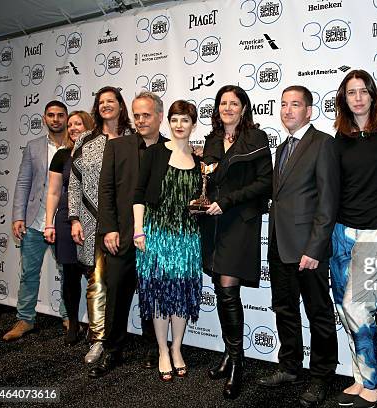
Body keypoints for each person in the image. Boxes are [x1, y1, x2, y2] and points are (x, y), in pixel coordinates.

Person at [256, 86, 339, 407]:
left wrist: (315, 249)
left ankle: (321, 377)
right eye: (284, 104)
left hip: (309, 250)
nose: (288, 110)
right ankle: (289, 366)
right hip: (279, 245)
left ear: (309, 111)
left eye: (295, 105)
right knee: (285, 309)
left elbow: (328, 202)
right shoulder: (283, 147)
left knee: (318, 314)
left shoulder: (323, 144)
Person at [330, 69, 377, 408]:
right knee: (345, 310)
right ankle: (360, 377)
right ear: (343, 99)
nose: (358, 98)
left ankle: (375, 383)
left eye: (363, 91)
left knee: (357, 306)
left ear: (373, 95)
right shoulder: (340, 137)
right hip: (342, 231)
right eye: (351, 93)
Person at [196, 85, 272, 399]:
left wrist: (227, 201)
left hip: (240, 220)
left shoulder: (256, 138)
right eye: (223, 102)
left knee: (227, 290)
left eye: (234, 102)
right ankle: (230, 353)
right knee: (221, 288)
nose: (228, 107)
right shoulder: (211, 140)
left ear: (244, 107)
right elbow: (207, 181)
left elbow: (265, 182)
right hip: (213, 223)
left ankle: (237, 361)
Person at [95, 91, 169, 377]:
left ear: (160, 116)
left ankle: (154, 347)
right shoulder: (118, 146)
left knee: (153, 295)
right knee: (115, 295)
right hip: (122, 236)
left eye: (146, 115)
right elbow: (107, 190)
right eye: (136, 115)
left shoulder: (174, 149)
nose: (140, 120)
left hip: (157, 239)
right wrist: (109, 228)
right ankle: (112, 349)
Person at [133, 100, 203, 382]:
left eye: (185, 120)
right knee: (160, 294)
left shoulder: (199, 162)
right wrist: (139, 230)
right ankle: (162, 350)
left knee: (182, 295)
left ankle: (177, 348)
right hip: (157, 233)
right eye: (174, 119)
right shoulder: (154, 154)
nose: (179, 125)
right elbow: (138, 194)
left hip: (187, 238)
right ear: (168, 122)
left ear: (193, 125)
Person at [69, 86, 134, 368]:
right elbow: (73, 181)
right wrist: (73, 218)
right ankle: (99, 340)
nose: (106, 105)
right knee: (97, 282)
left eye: (112, 100)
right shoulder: (85, 139)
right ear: (97, 107)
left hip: (126, 223)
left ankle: (123, 335)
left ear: (121, 105)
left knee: (122, 283)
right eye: (101, 101)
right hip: (91, 219)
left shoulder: (134, 138)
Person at [3, 100, 68, 342]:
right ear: (44, 118)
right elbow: (23, 182)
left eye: (60, 115)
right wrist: (18, 216)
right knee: (29, 273)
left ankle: (68, 315)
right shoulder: (33, 146)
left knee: (67, 274)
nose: (56, 119)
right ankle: (25, 319)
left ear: (66, 117)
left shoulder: (76, 146)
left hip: (62, 222)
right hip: (34, 223)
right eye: (51, 115)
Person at [43, 110, 95, 346]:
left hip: (94, 219)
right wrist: (48, 223)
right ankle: (73, 324)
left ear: (89, 126)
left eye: (79, 123)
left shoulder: (98, 154)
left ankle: (97, 327)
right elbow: (53, 192)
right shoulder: (62, 155)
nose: (73, 127)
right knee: (70, 277)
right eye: (71, 124)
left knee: (97, 278)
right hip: (65, 221)